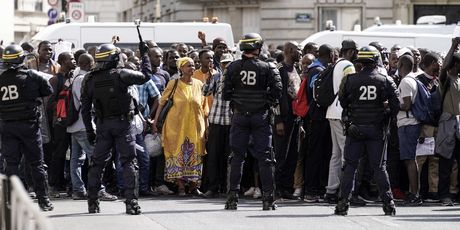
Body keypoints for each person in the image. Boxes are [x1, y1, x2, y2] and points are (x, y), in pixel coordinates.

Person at [81, 42, 152, 215]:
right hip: (122, 125)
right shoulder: (122, 74)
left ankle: (92, 204)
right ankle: (131, 203)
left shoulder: (89, 79)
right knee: (129, 162)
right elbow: (146, 75)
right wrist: (145, 55)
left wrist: (90, 131)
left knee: (97, 164)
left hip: (103, 125)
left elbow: (84, 108)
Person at [335, 46, 399, 216]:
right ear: (376, 60)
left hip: (355, 128)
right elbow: (396, 105)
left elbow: (342, 101)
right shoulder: (385, 80)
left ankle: (343, 204)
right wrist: (384, 112)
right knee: (379, 167)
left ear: (360, 61)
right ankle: (388, 204)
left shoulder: (349, 80)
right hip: (376, 129)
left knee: (350, 166)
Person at [223, 33, 282, 210]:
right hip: (261, 116)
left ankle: (232, 198)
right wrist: (265, 101)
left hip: (240, 115)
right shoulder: (268, 67)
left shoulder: (232, 67)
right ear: (258, 47)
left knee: (236, 157)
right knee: (265, 157)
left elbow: (225, 93)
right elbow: (278, 91)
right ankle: (268, 199)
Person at [0, 44, 54, 211]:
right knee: (36, 164)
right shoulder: (32, 76)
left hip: (7, 126)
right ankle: (43, 200)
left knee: (11, 164)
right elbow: (48, 90)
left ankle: (11, 200)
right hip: (29, 126)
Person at [152, 57, 207, 197]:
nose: (192, 68)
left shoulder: (199, 84)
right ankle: (181, 186)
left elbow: (204, 107)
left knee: (196, 154)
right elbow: (162, 103)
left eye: (193, 65)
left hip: (195, 126)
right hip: (176, 126)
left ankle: (194, 186)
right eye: (188, 65)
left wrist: (207, 127)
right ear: (181, 68)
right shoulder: (174, 83)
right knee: (177, 153)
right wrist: (155, 122)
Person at [324, 40, 357, 203]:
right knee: (347, 153)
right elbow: (350, 89)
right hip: (341, 113)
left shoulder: (337, 64)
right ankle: (345, 191)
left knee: (335, 154)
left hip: (332, 111)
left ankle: (331, 189)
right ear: (350, 52)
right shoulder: (348, 66)